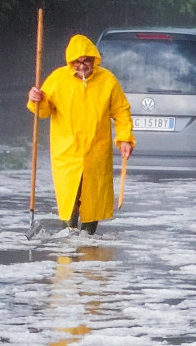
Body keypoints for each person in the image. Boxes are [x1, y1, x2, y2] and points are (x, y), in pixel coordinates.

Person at [27, 34, 135, 235]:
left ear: (94, 60)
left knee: (92, 198)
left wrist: (125, 138)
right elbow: (42, 111)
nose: (82, 66)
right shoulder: (58, 79)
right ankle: (69, 237)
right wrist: (36, 99)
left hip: (97, 151)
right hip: (66, 151)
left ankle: (88, 239)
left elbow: (121, 111)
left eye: (87, 61)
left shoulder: (107, 80)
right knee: (70, 198)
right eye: (77, 62)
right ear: (70, 62)